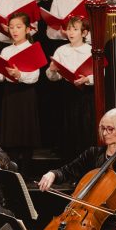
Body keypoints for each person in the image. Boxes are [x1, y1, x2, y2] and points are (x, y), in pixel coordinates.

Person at [0, 11, 42, 170]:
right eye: (11, 27)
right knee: (11, 134)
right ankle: (14, 169)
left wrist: (19, 74)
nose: (15, 30)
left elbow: (35, 76)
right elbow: (0, 78)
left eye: (18, 27)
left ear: (28, 29)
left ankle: (26, 171)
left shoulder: (32, 49)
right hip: (9, 93)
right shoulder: (6, 51)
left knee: (26, 133)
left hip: (26, 93)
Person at [45, 15, 94, 159]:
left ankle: (87, 167)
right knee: (69, 130)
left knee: (85, 129)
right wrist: (52, 70)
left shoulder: (90, 50)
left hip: (86, 94)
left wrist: (87, 79)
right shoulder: (61, 50)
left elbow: (100, 73)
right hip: (68, 93)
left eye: (75, 29)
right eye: (69, 29)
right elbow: (53, 77)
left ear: (84, 33)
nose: (71, 32)